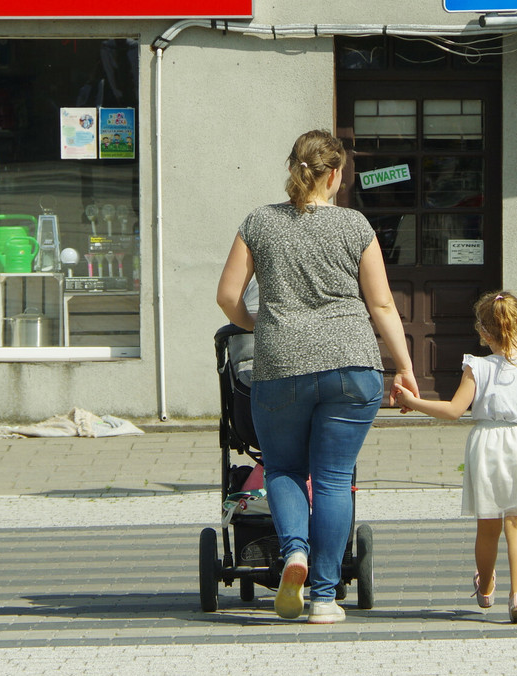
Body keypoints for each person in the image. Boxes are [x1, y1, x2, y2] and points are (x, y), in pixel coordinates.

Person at [216, 129, 418, 624]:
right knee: (331, 479)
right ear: (334, 175)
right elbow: (383, 304)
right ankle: (325, 599)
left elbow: (226, 297)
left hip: (281, 367)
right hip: (352, 365)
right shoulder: (355, 226)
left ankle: (296, 555)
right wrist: (405, 368)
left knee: (283, 468)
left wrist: (259, 325)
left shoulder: (259, 222)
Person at [392, 291, 517, 623]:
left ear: (484, 333)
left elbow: (454, 410)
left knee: (487, 525)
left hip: (487, 443)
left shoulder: (477, 367)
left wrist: (414, 401)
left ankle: (485, 587)